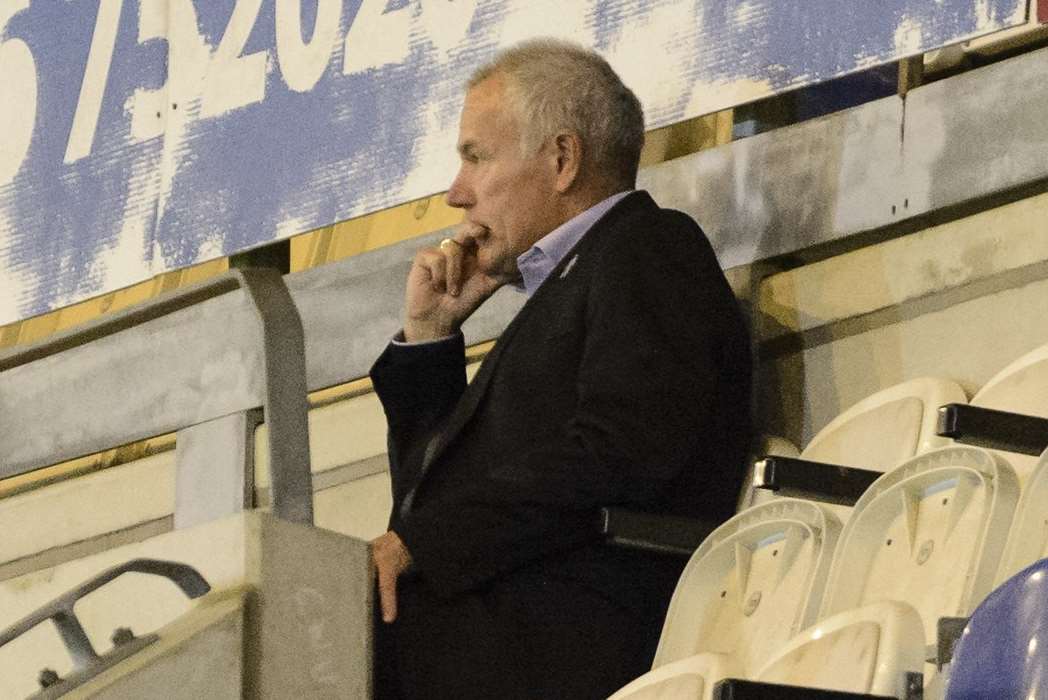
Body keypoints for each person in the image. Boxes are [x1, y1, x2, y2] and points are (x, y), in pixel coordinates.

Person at [368, 38, 752, 699]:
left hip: (563, 649)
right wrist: (431, 341)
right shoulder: (571, 283)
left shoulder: (647, 248)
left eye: (475, 158)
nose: (456, 194)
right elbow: (426, 501)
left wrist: (426, 544)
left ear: (562, 159)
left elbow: (620, 448)